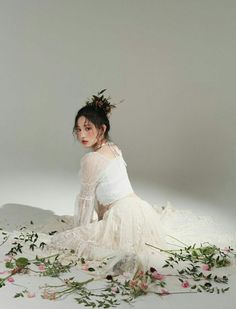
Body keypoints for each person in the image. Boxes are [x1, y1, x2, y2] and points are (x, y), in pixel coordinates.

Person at [46, 89, 235, 277]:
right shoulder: (114, 149)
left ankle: (126, 258)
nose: (81, 135)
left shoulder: (91, 160)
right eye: (78, 129)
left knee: (62, 241)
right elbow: (108, 194)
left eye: (88, 128)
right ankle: (125, 252)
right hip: (140, 210)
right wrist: (105, 221)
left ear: (102, 129)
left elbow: (86, 200)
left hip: (122, 213)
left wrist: (83, 230)